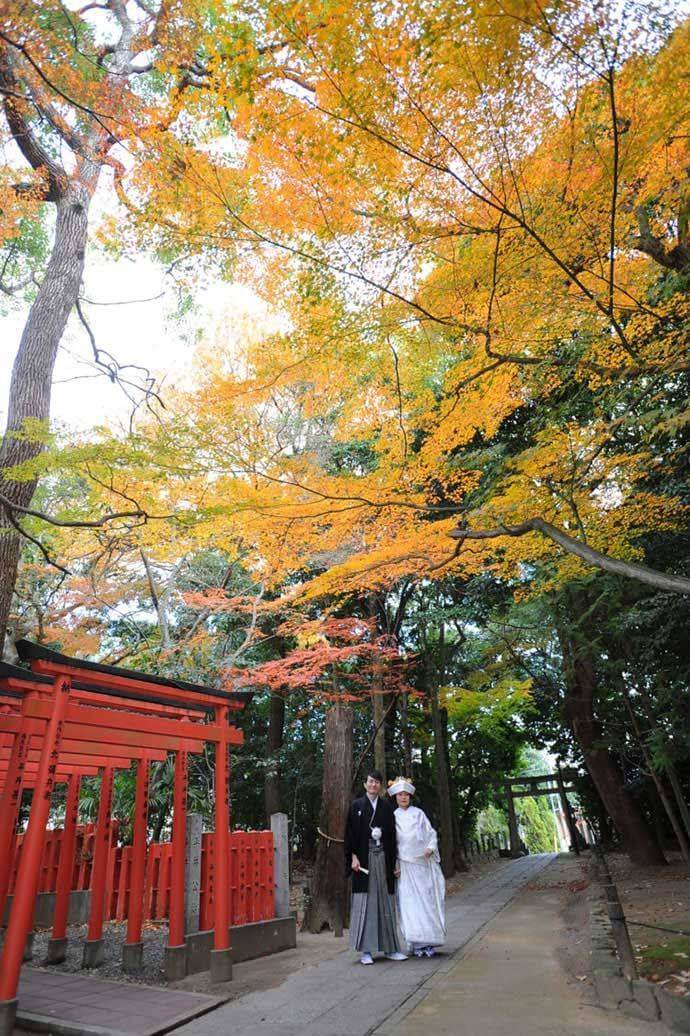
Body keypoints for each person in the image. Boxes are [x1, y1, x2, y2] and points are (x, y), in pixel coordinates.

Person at [344, 768, 408, 965]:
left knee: (386, 902)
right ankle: (366, 951)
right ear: (365, 784)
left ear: (380, 786)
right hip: (364, 859)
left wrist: (395, 861)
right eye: (370, 782)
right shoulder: (356, 806)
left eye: (377, 782)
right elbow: (350, 835)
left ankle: (391, 949)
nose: (373, 785)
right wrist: (353, 857)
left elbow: (392, 837)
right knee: (366, 903)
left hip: (384, 858)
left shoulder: (387, 807)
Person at [388, 776, 446, 957]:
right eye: (400, 795)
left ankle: (429, 941)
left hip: (421, 863)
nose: (403, 798)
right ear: (395, 797)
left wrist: (430, 847)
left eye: (406, 794)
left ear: (410, 796)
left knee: (426, 901)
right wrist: (394, 864)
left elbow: (430, 833)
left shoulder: (419, 814)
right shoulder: (392, 817)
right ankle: (415, 942)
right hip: (405, 865)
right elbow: (391, 844)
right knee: (409, 902)